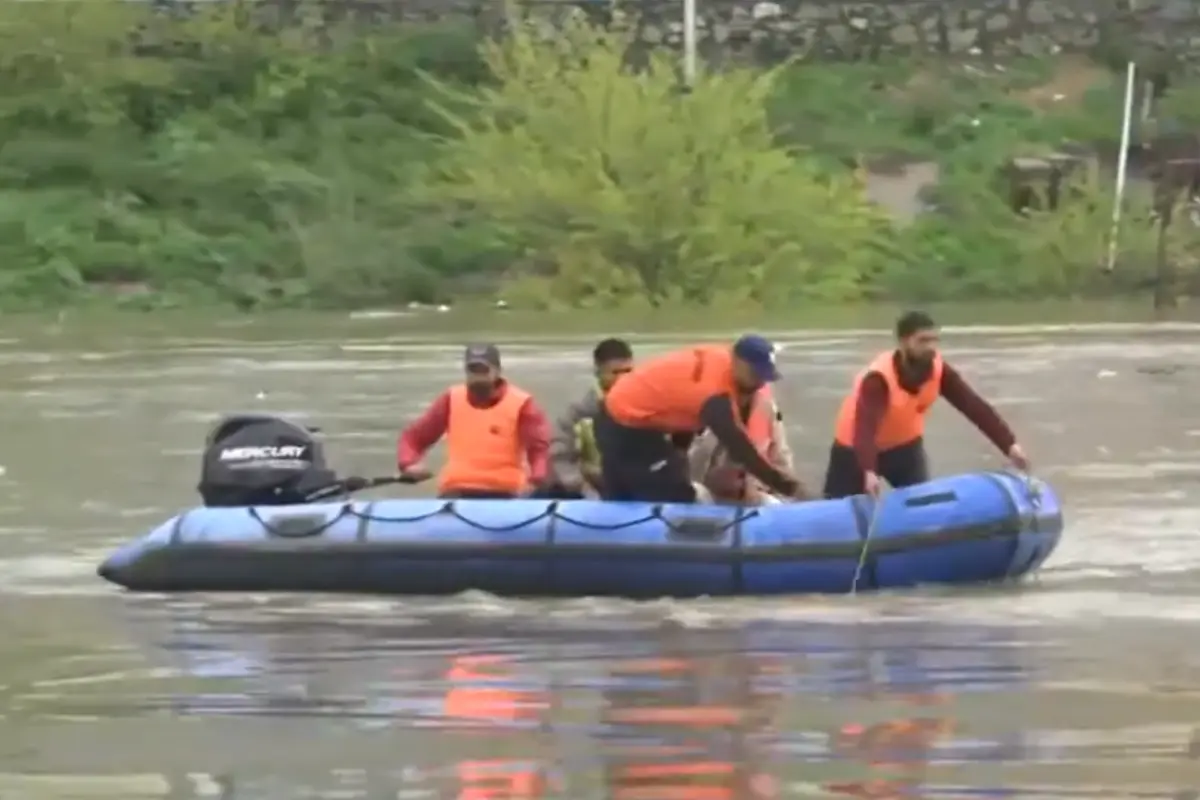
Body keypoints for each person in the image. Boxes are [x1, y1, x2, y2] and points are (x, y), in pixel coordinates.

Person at [823, 311, 1031, 499]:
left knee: (923, 504)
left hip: (903, 448)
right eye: (922, 341)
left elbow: (973, 406)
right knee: (834, 511)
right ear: (904, 342)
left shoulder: (938, 370)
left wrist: (1009, 445)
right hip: (856, 450)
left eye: (934, 340)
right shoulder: (878, 379)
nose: (931, 347)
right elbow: (865, 427)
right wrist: (868, 470)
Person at [596, 334, 808, 503]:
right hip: (623, 426)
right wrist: (790, 488)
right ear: (736, 361)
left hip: (631, 420)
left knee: (644, 486)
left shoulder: (721, 362)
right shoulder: (715, 394)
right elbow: (740, 448)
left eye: (764, 377)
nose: (759, 384)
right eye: (755, 374)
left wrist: (678, 456)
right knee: (678, 496)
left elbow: (681, 401)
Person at [397, 344, 551, 499]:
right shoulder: (450, 399)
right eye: (472, 370)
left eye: (483, 370)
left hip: (505, 494)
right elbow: (413, 437)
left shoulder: (522, 404)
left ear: (497, 371)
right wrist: (409, 464)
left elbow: (539, 449)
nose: (478, 377)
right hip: (456, 492)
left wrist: (537, 479)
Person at [543, 337, 634, 499]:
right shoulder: (577, 411)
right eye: (615, 372)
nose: (622, 379)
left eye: (627, 372)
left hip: (635, 486)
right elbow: (559, 456)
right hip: (588, 488)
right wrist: (584, 491)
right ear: (598, 373)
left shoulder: (648, 408)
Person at [689, 386, 794, 505]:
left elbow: (781, 457)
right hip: (708, 494)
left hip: (752, 497)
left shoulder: (768, 409)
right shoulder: (706, 405)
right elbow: (692, 461)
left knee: (777, 504)